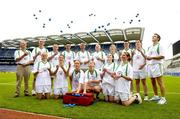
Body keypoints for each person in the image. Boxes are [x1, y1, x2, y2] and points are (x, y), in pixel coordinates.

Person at [146, 33, 166, 104]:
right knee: (153, 82)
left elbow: (162, 56)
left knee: (160, 82)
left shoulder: (160, 46)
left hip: (157, 65)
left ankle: (163, 98)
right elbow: (147, 56)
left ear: (158, 38)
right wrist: (148, 58)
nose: (153, 37)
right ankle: (156, 96)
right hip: (150, 65)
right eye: (152, 36)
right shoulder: (149, 47)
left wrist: (151, 57)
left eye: (154, 36)